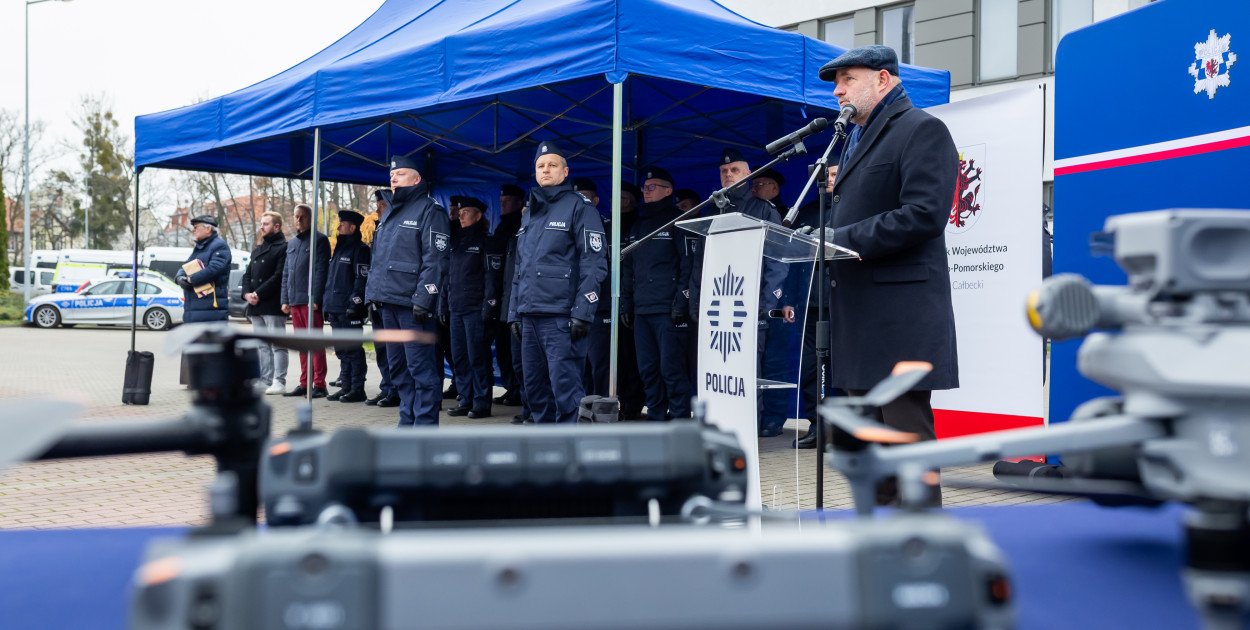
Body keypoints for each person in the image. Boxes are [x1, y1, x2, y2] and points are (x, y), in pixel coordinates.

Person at [821, 45, 959, 506]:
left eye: (847, 80)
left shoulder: (921, 130)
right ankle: (876, 551)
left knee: (906, 448)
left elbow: (924, 214)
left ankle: (926, 550)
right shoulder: (854, 140)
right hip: (861, 318)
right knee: (875, 459)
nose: (838, 90)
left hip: (900, 320)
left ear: (883, 79)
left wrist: (840, 238)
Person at [688, 147, 788, 436]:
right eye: (724, 171)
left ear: (748, 175)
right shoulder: (711, 211)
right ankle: (717, 429)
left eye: (735, 171)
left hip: (749, 309)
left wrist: (766, 305)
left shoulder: (763, 210)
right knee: (718, 372)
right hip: (718, 310)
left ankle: (747, 431)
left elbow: (777, 262)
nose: (728, 175)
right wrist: (696, 303)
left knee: (746, 375)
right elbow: (700, 263)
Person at [509, 141, 608, 424]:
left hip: (561, 318)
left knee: (566, 393)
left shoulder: (580, 207)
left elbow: (594, 262)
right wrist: (514, 312)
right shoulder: (531, 212)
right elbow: (520, 267)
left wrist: (583, 312)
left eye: (552, 165)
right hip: (530, 317)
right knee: (535, 392)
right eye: (541, 166)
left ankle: (571, 458)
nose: (546, 170)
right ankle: (545, 455)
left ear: (565, 172)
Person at [365, 155, 450, 427]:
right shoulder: (389, 211)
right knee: (399, 370)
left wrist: (425, 298)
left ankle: (424, 428)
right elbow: (379, 259)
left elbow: (436, 259)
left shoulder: (430, 211)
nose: (394, 178)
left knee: (421, 370)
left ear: (417, 179)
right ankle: (407, 424)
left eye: (400, 173)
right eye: (392, 174)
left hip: (413, 306)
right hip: (387, 303)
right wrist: (372, 296)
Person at [621, 166, 693, 420]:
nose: (646, 191)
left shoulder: (680, 220)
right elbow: (628, 267)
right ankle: (656, 415)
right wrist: (626, 303)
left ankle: (681, 416)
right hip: (642, 310)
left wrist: (681, 301)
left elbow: (688, 265)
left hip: (668, 310)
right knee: (648, 369)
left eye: (652, 187)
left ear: (668, 190)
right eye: (644, 188)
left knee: (671, 368)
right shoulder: (639, 225)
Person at [441, 196, 493, 418]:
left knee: (477, 357)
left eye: (466, 212)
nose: (460, 215)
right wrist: (444, 305)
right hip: (456, 308)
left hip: (475, 309)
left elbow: (491, 278)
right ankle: (465, 398)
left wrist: (488, 306)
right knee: (460, 357)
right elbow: (447, 277)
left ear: (478, 215)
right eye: (459, 212)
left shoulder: (485, 241)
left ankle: (481, 402)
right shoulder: (455, 241)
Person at [489, 185, 532, 425]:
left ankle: (533, 405)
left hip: (532, 307)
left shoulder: (524, 231)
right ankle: (521, 399)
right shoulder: (513, 232)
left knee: (529, 362)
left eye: (508, 201)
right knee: (512, 357)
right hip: (510, 304)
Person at [280, 203, 331, 399]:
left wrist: (316, 298)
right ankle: (305, 383)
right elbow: (286, 273)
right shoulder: (291, 244)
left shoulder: (319, 240)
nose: (299, 220)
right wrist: (285, 298)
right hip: (295, 300)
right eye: (296, 216)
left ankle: (319, 384)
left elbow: (321, 271)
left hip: (310, 302)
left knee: (315, 343)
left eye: (303, 217)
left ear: (311, 218)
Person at [324, 210, 371, 403]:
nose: (338, 227)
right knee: (342, 350)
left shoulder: (360, 250)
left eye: (342, 224)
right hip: (335, 308)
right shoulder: (340, 250)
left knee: (352, 349)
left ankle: (357, 389)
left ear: (352, 228)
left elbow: (361, 279)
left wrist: (355, 303)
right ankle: (346, 386)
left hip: (349, 309)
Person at [240, 210, 289, 395]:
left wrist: (258, 293)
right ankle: (264, 379)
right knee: (262, 344)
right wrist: (246, 294)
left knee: (278, 344)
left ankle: (279, 381)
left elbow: (279, 276)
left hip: (272, 303)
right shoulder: (257, 249)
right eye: (261, 224)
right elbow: (247, 275)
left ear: (277, 226)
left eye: (266, 224)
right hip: (255, 304)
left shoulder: (283, 248)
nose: (262, 227)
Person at [572, 178, 612, 398]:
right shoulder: (567, 225)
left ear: (596, 200)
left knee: (599, 364)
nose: (581, 202)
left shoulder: (607, 226)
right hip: (572, 305)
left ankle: (600, 412)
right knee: (578, 365)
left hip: (599, 305)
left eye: (585, 197)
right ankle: (580, 408)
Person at [364, 189, 400, 407]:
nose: (377, 211)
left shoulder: (396, 230)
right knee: (381, 349)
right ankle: (387, 387)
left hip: (391, 298)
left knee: (394, 350)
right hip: (377, 299)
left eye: (382, 206)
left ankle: (396, 390)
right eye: (376, 206)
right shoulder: (378, 231)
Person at [175, 215, 232, 324]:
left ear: (208, 228)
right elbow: (186, 265)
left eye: (196, 227)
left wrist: (191, 279)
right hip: (196, 307)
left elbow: (214, 268)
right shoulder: (200, 248)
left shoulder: (219, 245)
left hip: (210, 309)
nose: (193, 230)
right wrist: (180, 277)